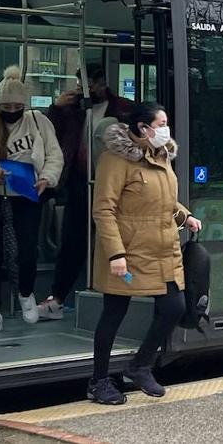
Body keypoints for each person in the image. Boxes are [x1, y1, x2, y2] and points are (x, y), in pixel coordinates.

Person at [88, 102, 202, 405]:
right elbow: (103, 209)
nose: (165, 129)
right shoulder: (115, 160)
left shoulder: (161, 155)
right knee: (114, 312)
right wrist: (115, 254)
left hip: (162, 249)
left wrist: (184, 216)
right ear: (142, 128)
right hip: (128, 251)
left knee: (174, 307)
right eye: (160, 123)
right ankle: (99, 381)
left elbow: (163, 202)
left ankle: (139, 366)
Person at [40, 65, 135, 320]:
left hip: (113, 183)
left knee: (111, 240)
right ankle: (58, 297)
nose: (86, 89)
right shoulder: (72, 109)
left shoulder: (123, 108)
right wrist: (57, 109)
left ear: (103, 83)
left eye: (91, 84)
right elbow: (48, 133)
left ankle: (115, 295)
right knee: (72, 239)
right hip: (79, 181)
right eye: (82, 84)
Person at [0, 66, 63, 334]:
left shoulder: (39, 121)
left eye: (16, 105)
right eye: (5, 105)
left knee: (28, 248)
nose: (11, 110)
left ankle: (26, 292)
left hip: (30, 193)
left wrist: (47, 178)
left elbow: (55, 155)